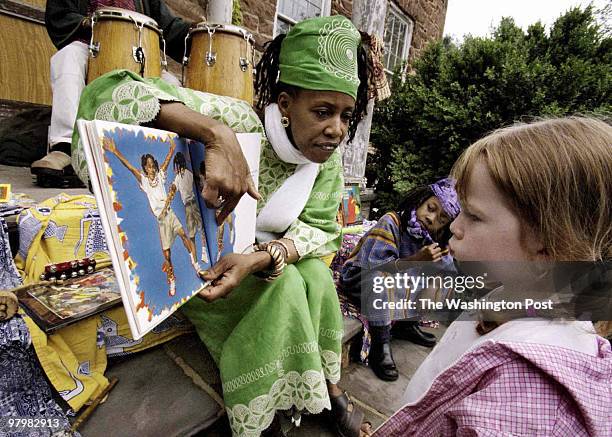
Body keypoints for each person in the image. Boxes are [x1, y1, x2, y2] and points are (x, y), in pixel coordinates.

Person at [71, 15, 380, 437]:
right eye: (322, 112)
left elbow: (322, 228)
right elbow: (106, 93)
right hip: (207, 265)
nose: (336, 130)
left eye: (346, 115)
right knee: (286, 285)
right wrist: (215, 133)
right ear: (286, 105)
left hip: (252, 262)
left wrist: (264, 256)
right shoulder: (238, 122)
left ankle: (326, 388)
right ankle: (261, 414)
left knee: (315, 276)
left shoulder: (323, 162)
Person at [374, 117, 611, 436]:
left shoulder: (526, 397)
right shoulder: (508, 301)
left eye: (473, 215)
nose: (454, 227)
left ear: (548, 241)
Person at [32, 0, 191, 186]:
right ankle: (65, 147)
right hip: (92, 50)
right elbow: (59, 16)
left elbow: (170, 28)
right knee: (68, 56)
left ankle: (167, 154)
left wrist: (194, 33)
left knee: (171, 84)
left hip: (141, 59)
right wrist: (91, 23)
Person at [340, 179, 460, 381]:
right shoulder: (391, 221)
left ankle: (407, 324)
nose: (431, 218)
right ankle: (381, 344)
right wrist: (416, 260)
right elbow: (374, 268)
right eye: (430, 208)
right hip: (363, 279)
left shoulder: (433, 238)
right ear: (420, 201)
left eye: (442, 219)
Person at [101, 138, 199, 296]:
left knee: (183, 235)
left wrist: (172, 149)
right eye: (148, 166)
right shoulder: (144, 181)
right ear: (145, 169)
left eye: (153, 165)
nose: (152, 169)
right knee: (167, 254)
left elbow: (167, 162)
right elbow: (130, 168)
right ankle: (172, 279)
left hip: (170, 214)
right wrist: (115, 152)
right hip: (161, 220)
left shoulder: (160, 176)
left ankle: (195, 264)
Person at [172, 152, 209, 265]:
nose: (176, 169)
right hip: (191, 204)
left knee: (194, 231)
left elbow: (175, 188)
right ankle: (200, 256)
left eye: (177, 166)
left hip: (190, 205)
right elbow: (176, 186)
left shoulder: (181, 176)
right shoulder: (186, 174)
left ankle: (199, 256)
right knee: (196, 230)